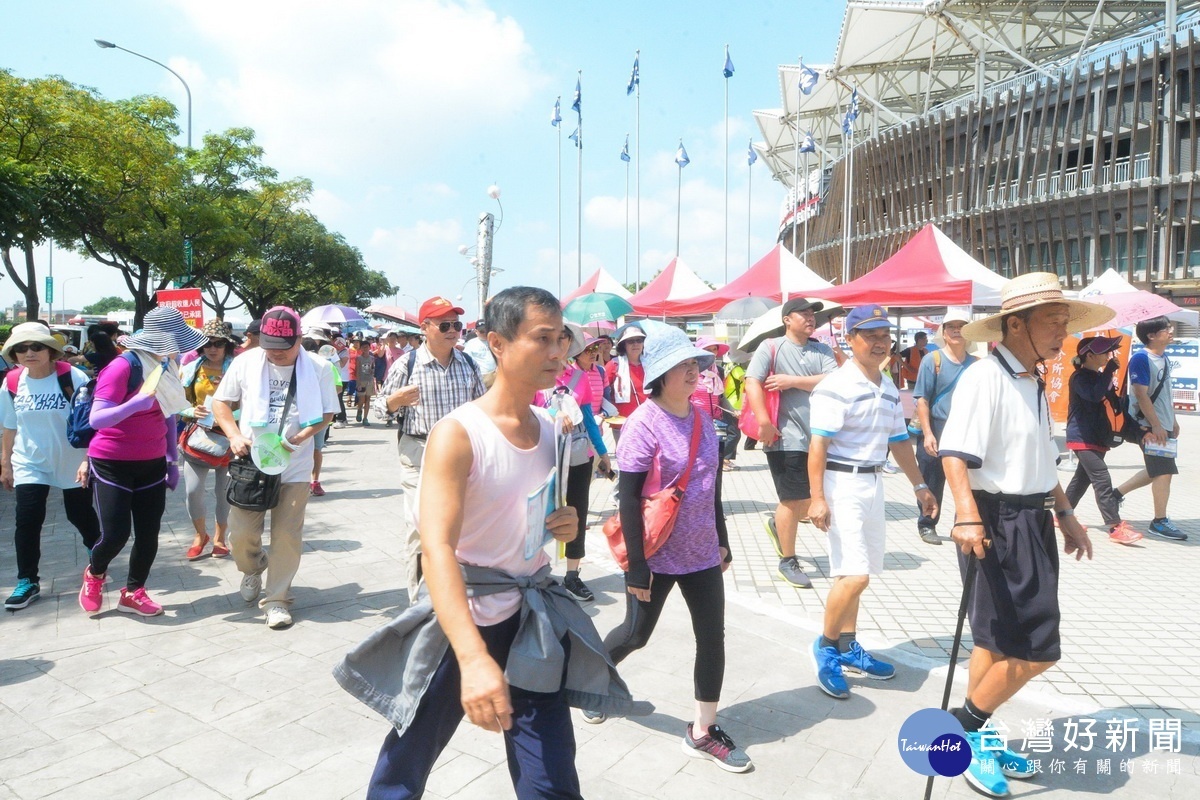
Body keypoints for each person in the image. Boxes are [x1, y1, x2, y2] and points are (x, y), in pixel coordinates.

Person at [362, 286, 636, 799]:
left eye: (561, 339)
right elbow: (436, 548)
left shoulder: (552, 430)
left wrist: (566, 527)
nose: (557, 353)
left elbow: (539, 521)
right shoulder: (458, 435)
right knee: (404, 766)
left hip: (532, 620)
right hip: (459, 624)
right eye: (542, 339)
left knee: (551, 777)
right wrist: (472, 658)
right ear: (497, 343)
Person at [939, 272, 1111, 798]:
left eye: (1065, 321)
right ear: (1016, 324)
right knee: (1038, 648)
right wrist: (966, 515)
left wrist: (1065, 513)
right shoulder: (985, 377)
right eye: (1053, 321)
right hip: (994, 523)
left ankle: (976, 738)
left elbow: (1038, 460)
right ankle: (963, 732)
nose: (1063, 331)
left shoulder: (1032, 379)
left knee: (995, 640)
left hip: (1032, 520)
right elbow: (954, 454)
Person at [591, 321, 751, 773]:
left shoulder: (703, 417)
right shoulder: (644, 423)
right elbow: (627, 498)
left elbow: (712, 488)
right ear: (659, 373)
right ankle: (591, 681)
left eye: (695, 364)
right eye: (681, 366)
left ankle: (703, 730)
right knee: (636, 635)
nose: (692, 372)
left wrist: (722, 541)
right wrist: (636, 566)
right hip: (656, 555)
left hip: (701, 552)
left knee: (712, 638)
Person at [806, 304, 937, 699]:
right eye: (870, 336)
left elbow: (898, 441)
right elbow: (818, 445)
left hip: (873, 483)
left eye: (885, 336)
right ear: (850, 340)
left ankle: (848, 646)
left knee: (860, 573)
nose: (881, 344)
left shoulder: (886, 387)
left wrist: (919, 486)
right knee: (854, 574)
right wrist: (816, 498)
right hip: (840, 484)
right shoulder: (835, 385)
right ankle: (826, 647)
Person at [212, 306, 339, 629]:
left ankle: (278, 600)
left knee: (286, 535)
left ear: (299, 339)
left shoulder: (319, 367)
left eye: (283, 348)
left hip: (294, 465)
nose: (275, 355)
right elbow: (220, 402)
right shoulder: (245, 362)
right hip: (250, 463)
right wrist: (234, 434)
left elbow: (326, 413)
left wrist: (299, 437)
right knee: (240, 535)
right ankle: (253, 568)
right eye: (269, 347)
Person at [79, 307, 206, 617]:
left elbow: (168, 416)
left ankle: (134, 592)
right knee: (116, 534)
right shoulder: (123, 367)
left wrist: (171, 460)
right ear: (162, 340)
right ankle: (94, 574)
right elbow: (97, 418)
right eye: (177, 340)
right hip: (112, 463)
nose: (180, 347)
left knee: (149, 534)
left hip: (152, 463)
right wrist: (134, 404)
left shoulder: (167, 366)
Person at [380, 296, 486, 602]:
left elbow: (482, 409)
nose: (453, 331)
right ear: (425, 328)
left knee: (461, 526)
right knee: (421, 528)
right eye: (445, 325)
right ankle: (419, 600)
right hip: (419, 453)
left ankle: (457, 592)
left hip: (461, 456)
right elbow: (379, 408)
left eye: (456, 325)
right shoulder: (407, 364)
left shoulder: (468, 363)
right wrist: (394, 401)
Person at [1, 324, 98, 610]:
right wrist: (5, 463)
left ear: (50, 349)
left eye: (36, 346)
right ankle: (27, 580)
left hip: (72, 460)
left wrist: (86, 459)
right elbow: (8, 426)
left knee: (80, 515)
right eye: (21, 348)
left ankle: (98, 555)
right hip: (30, 462)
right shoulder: (12, 382)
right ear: (14, 353)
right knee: (27, 520)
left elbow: (92, 422)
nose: (29, 352)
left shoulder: (72, 376)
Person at [744, 298, 837, 588]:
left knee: (813, 498)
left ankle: (778, 524)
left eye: (813, 314)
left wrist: (792, 381)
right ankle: (788, 559)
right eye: (804, 313)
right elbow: (752, 382)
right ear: (787, 319)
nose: (811, 318)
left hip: (821, 438)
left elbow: (834, 381)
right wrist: (763, 422)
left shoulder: (821, 349)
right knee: (793, 498)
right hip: (785, 436)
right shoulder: (771, 346)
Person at [534, 324, 610, 603]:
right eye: (554, 339)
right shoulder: (537, 374)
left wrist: (602, 452)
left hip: (578, 456)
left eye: (565, 339)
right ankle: (535, 570)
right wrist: (552, 412)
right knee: (540, 510)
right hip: (542, 454)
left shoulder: (580, 378)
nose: (560, 345)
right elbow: (526, 410)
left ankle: (572, 576)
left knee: (576, 511)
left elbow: (588, 418)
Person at [1064, 336, 1143, 545]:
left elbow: (1116, 407)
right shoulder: (1080, 377)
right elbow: (1092, 395)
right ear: (1089, 355)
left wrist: (1139, 432)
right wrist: (1108, 371)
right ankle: (1115, 527)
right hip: (1082, 437)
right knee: (1101, 477)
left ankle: (1060, 515)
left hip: (1098, 437)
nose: (1109, 355)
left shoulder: (1100, 377)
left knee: (1081, 480)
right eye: (1105, 352)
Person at [1114, 316, 1185, 541]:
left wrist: (1172, 420)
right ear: (1151, 336)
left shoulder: (1163, 357)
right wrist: (1155, 425)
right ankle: (1159, 521)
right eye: (1166, 328)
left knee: (1158, 468)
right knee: (1164, 471)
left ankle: (1115, 495)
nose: (1171, 330)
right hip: (1148, 426)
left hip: (1163, 424)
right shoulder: (1141, 359)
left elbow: (1164, 393)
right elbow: (1141, 394)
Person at [910, 310, 978, 546]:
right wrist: (928, 433)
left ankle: (965, 522)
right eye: (952, 326)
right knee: (932, 478)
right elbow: (922, 399)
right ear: (944, 332)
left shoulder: (977, 365)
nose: (957, 330)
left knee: (968, 480)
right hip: (937, 427)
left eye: (962, 326)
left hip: (967, 428)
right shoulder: (933, 360)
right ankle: (927, 524)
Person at [179, 319, 237, 560]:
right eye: (207, 343)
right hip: (198, 438)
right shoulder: (190, 370)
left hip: (232, 439)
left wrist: (231, 419)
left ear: (227, 345)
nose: (212, 348)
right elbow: (176, 404)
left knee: (223, 491)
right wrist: (190, 412)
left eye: (219, 343)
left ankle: (220, 538)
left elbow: (252, 403)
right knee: (193, 491)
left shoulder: (237, 369)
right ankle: (200, 534)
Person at [695, 337, 740, 471]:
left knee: (715, 458)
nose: (711, 353)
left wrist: (733, 410)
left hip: (715, 420)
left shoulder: (719, 371)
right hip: (694, 419)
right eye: (707, 349)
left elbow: (721, 396)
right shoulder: (691, 369)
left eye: (714, 349)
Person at [604, 326, 646, 433]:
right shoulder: (613, 365)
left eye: (639, 340)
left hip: (647, 423)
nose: (636, 344)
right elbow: (600, 391)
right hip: (622, 424)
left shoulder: (650, 365)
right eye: (631, 341)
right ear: (624, 345)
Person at [353, 338, 376, 426]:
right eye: (363, 347)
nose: (365, 349)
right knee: (361, 399)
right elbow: (357, 371)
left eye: (366, 347)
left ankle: (365, 418)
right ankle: (359, 410)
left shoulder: (372, 358)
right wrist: (358, 382)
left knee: (368, 399)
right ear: (360, 348)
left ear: (369, 348)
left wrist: (372, 371)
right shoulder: (359, 358)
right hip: (361, 380)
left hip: (369, 380)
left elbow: (373, 368)